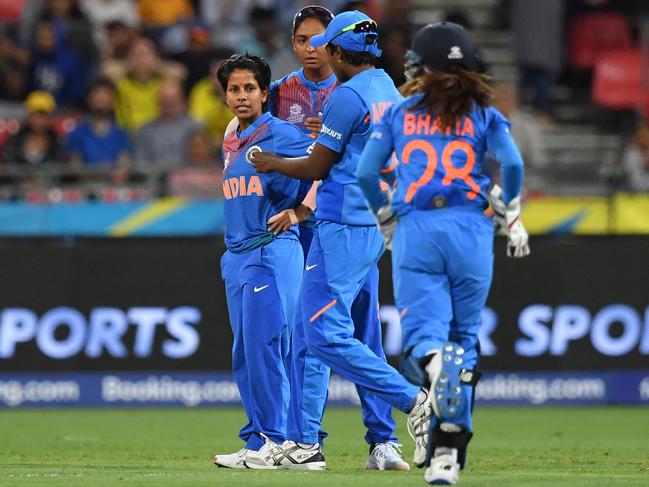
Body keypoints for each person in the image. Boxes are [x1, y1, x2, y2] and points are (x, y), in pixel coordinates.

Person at [249, 10, 430, 471]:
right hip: (371, 222)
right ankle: (308, 443)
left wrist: (268, 161)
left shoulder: (346, 97)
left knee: (321, 335)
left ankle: (415, 403)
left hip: (341, 224)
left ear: (335, 50)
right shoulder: (389, 89)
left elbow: (316, 167)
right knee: (327, 334)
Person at [356, 22, 531, 484]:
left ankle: (438, 371)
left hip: (419, 228)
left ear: (422, 66)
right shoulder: (483, 113)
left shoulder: (401, 113)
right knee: (465, 338)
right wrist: (510, 211)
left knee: (426, 343)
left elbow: (366, 173)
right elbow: (511, 163)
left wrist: (385, 217)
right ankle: (446, 457)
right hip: (473, 228)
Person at [211, 53, 314, 469]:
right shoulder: (232, 136)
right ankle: (258, 440)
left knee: (267, 344)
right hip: (236, 255)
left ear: (265, 93)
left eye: (249, 88)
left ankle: (280, 440)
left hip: (271, 249)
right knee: (245, 352)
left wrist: (301, 211)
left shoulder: (282, 133)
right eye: (233, 89)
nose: (241, 96)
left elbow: (327, 165)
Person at [66, 78, 133, 167]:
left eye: (107, 94)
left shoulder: (122, 134)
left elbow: (124, 167)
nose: (101, 98)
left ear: (113, 101)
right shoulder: (77, 134)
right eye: (97, 93)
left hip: (113, 180)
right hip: (87, 180)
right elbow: (75, 168)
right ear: (88, 99)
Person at [135, 80, 201, 167]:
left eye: (173, 98)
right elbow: (141, 163)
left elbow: (202, 161)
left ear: (181, 100)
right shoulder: (146, 130)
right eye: (164, 98)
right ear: (157, 101)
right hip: (155, 178)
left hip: (189, 177)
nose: (168, 102)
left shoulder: (194, 127)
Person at [3, 91, 65, 165]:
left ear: (50, 119)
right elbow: (9, 163)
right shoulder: (15, 140)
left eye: (43, 116)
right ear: (28, 117)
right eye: (35, 116)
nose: (39, 121)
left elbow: (59, 166)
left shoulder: (57, 142)